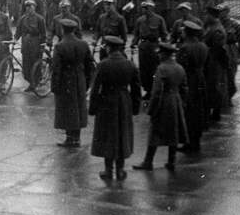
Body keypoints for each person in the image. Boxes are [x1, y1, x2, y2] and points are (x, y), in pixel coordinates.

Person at [89, 36, 141, 181]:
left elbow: (95, 89)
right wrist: (135, 108)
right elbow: (136, 89)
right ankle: (120, 170)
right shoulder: (130, 65)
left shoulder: (103, 64)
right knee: (122, 135)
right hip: (124, 101)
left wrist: (93, 108)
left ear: (109, 48)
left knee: (108, 135)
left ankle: (108, 170)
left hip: (106, 101)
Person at [133, 43, 188, 172]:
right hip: (176, 101)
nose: (158, 55)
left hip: (163, 103)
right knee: (173, 132)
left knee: (155, 132)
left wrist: (151, 110)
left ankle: (148, 161)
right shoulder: (180, 68)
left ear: (164, 54)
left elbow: (157, 92)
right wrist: (182, 103)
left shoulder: (161, 69)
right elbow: (184, 88)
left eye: (160, 53)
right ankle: (171, 161)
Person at [52, 19, 95, 148]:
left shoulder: (60, 46)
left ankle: (70, 139)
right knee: (79, 107)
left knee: (68, 109)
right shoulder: (83, 44)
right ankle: (77, 138)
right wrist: (87, 82)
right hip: (80, 78)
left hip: (66, 80)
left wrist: (55, 86)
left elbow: (56, 69)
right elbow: (90, 65)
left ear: (62, 30)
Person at [176, 21, 208, 153]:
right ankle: (196, 141)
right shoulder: (203, 46)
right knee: (199, 111)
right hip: (200, 79)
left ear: (187, 33)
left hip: (189, 80)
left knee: (188, 112)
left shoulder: (185, 47)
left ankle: (190, 143)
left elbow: (180, 66)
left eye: (184, 31)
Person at [131, 0, 168, 100]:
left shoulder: (159, 19)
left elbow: (164, 35)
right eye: (143, 8)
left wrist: (165, 48)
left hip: (154, 46)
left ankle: (155, 90)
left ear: (152, 8)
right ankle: (148, 90)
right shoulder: (140, 20)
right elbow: (136, 35)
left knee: (154, 69)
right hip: (143, 47)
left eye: (146, 8)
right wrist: (133, 44)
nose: (144, 10)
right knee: (143, 70)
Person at [203, 5, 229, 122]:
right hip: (210, 60)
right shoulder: (211, 26)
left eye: (207, 15)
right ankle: (210, 109)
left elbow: (217, 49)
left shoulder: (217, 29)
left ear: (212, 16)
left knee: (214, 86)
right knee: (210, 86)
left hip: (214, 62)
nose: (205, 17)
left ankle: (216, 112)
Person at [15, 0, 46, 92]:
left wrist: (42, 46)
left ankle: (34, 83)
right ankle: (31, 81)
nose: (29, 9)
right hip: (25, 44)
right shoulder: (22, 19)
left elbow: (43, 33)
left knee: (35, 65)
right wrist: (14, 39)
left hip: (35, 44)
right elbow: (18, 32)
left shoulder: (40, 19)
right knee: (26, 67)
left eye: (31, 7)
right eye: (27, 7)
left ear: (34, 8)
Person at [219, 4, 240, 102]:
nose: (221, 13)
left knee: (231, 74)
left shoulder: (235, 24)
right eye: (219, 12)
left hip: (231, 51)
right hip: (220, 50)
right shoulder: (216, 23)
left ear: (227, 12)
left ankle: (229, 96)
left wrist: (239, 56)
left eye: (222, 11)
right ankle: (222, 97)